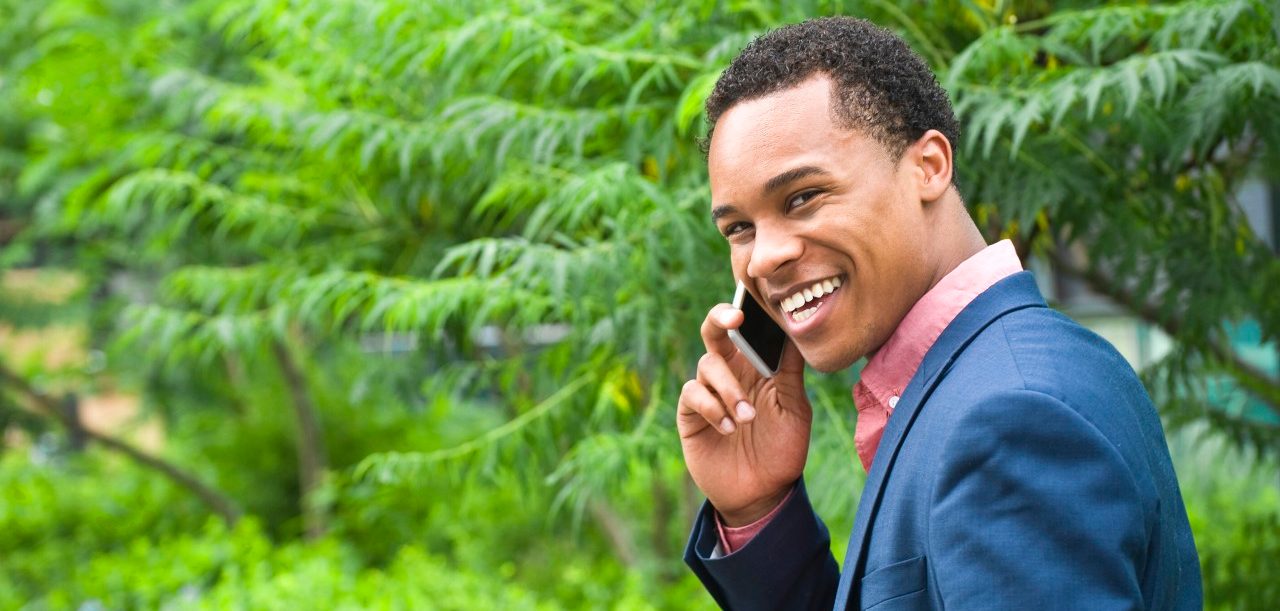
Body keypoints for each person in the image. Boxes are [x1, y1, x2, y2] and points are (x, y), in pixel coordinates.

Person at [677, 16, 1201, 610]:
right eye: (740, 228)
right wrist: (759, 510)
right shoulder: (996, 379)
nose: (765, 258)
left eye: (802, 197)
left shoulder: (1010, 418)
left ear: (928, 167)